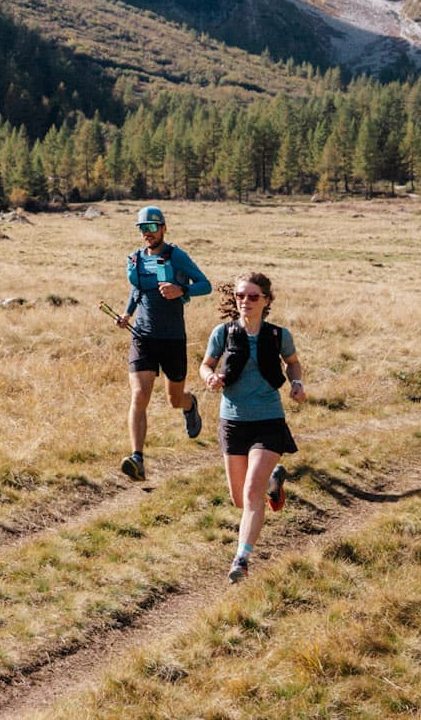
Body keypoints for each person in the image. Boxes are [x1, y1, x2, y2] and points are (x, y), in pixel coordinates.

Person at [199, 270, 305, 582]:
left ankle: (241, 559)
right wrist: (210, 378)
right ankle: (273, 482)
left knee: (250, 492)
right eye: (241, 296)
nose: (245, 301)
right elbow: (206, 364)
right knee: (240, 500)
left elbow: (293, 362)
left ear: (266, 300)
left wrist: (296, 382)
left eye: (253, 296)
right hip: (232, 421)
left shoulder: (278, 335)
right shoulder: (223, 333)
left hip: (268, 420)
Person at [112, 205, 212, 480]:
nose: (147, 233)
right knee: (139, 395)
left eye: (152, 228)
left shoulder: (176, 256)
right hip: (143, 336)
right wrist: (126, 314)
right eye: (143, 229)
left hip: (172, 338)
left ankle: (190, 405)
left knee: (174, 399)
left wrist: (182, 289)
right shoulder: (135, 259)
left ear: (164, 228)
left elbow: (205, 284)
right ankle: (137, 458)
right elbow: (137, 290)